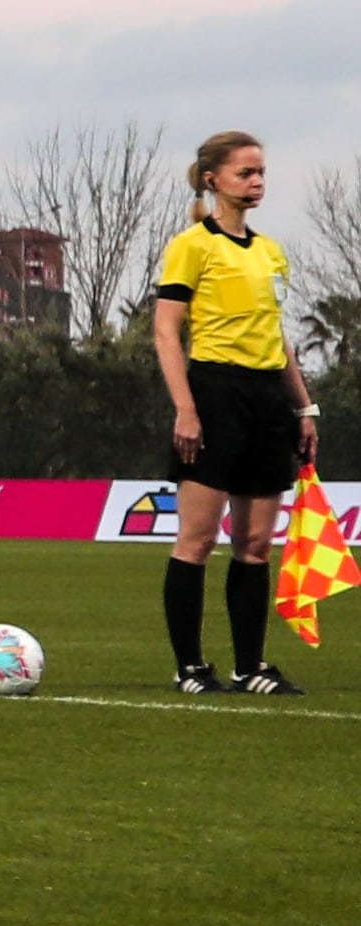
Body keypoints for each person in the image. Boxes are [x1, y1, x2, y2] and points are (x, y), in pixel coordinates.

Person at [153, 130, 313, 696]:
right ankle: (191, 667)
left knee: (254, 545)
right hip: (214, 393)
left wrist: (304, 407)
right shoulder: (192, 245)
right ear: (212, 179)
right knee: (196, 541)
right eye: (245, 172)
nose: (257, 181)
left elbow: (279, 339)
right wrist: (186, 409)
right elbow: (167, 332)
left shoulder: (270, 251)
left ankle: (250, 667)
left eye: (261, 172)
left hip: (267, 401)